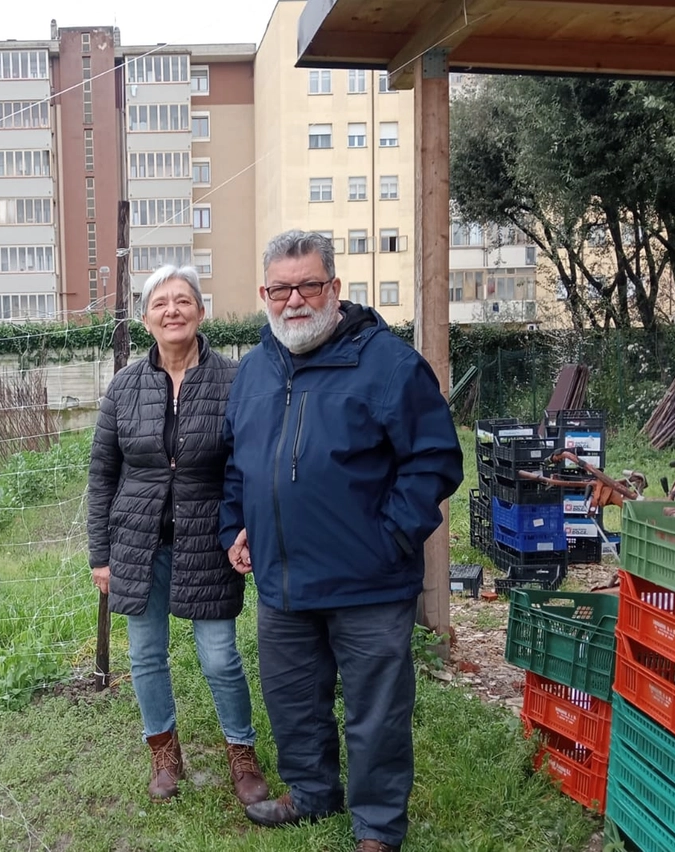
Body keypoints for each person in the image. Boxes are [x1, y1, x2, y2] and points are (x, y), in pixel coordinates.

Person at [219, 230, 463, 852]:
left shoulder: (387, 364)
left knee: (376, 713)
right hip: (283, 580)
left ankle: (378, 828)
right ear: (263, 294)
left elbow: (434, 461)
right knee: (293, 699)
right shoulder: (253, 370)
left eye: (308, 285)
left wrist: (389, 538)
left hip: (369, 582)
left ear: (334, 288)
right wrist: (235, 527)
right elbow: (236, 466)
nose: (294, 300)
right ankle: (311, 791)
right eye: (280, 288)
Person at [87, 264, 269, 806]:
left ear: (200, 311)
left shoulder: (235, 380)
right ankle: (165, 755)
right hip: (137, 544)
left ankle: (241, 752)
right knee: (145, 655)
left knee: (219, 657)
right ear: (146, 320)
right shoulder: (124, 388)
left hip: (207, 540)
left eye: (183, 300)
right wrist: (101, 555)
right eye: (161, 303)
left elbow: (251, 464)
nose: (173, 310)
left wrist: (246, 529)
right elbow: (102, 476)